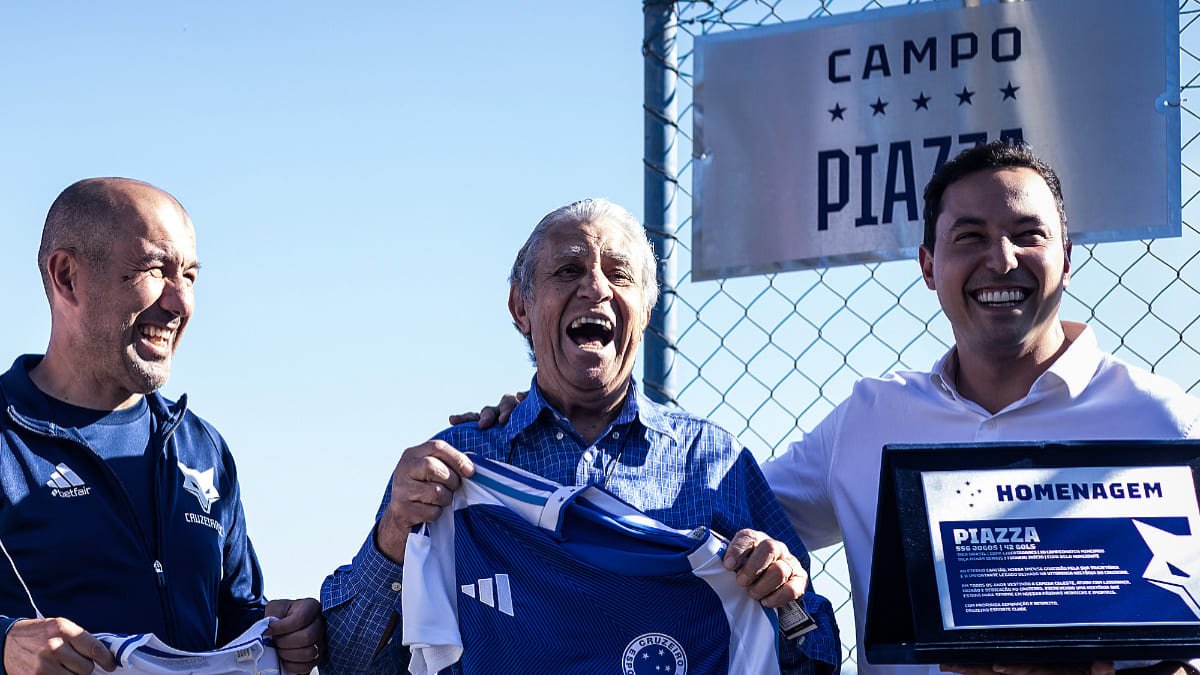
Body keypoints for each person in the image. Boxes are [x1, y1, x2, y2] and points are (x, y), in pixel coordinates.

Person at [320, 198, 842, 674]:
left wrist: (786, 598)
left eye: (619, 275)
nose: (595, 288)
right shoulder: (456, 472)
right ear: (520, 308)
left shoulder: (714, 463)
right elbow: (347, 662)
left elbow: (816, 658)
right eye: (568, 270)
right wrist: (392, 536)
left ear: (645, 310)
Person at [761, 141, 1200, 675]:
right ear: (928, 265)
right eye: (970, 237)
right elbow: (730, 524)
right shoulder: (867, 418)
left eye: (1028, 235)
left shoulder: (1161, 419)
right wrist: (764, 558)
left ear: (1067, 259)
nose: (1001, 260)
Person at [0, 178, 325, 675]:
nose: (180, 303)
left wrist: (279, 627)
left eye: (190, 276)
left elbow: (233, 624)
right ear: (67, 277)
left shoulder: (203, 449)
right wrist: (5, 646)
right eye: (155, 270)